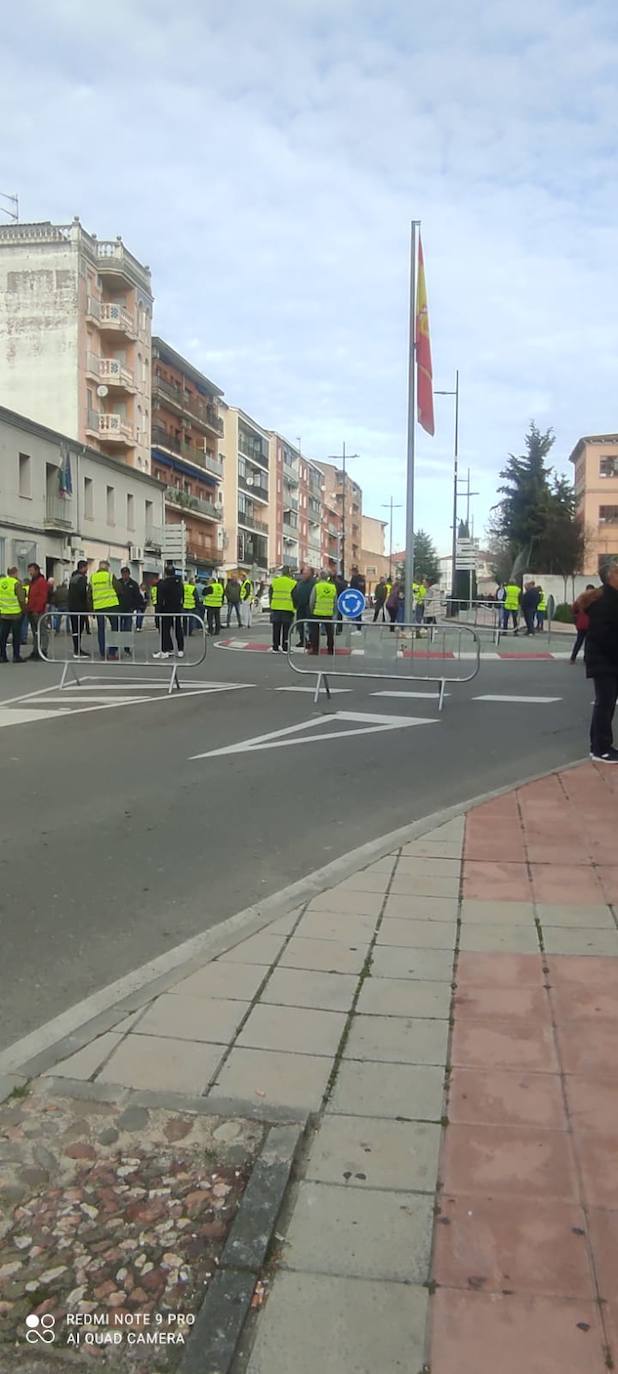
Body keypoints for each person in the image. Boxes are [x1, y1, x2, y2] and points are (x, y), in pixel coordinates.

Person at [581, 560, 618, 762]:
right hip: (604, 660)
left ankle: (599, 746)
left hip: (607, 660)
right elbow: (604, 636)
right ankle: (600, 749)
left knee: (606, 704)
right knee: (605, 704)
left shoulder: (611, 597)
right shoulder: (605, 601)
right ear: (611, 577)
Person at [89, 561, 120, 660]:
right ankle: (112, 652)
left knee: (101, 630)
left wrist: (91, 609)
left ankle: (102, 653)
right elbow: (119, 589)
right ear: (107, 567)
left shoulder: (93, 577)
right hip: (112, 606)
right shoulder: (110, 576)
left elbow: (89, 594)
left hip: (99, 607)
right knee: (115, 629)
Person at [153, 562, 184, 658]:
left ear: (165, 573)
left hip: (165, 610)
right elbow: (182, 597)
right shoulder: (179, 583)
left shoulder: (162, 584)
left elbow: (159, 600)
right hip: (177, 610)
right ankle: (180, 650)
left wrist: (157, 613)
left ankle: (165, 650)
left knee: (164, 630)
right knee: (178, 629)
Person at [25, 562, 52, 661]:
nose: (30, 573)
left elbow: (42, 597)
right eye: (29, 571)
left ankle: (43, 650)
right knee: (35, 632)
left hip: (38, 611)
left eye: (31, 570)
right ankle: (36, 650)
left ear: (37, 570)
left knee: (42, 631)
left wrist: (37, 609)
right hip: (31, 610)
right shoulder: (33, 582)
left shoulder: (41, 581)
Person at [0, 566, 27, 664]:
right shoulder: (16, 583)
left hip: (3, 614)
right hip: (15, 614)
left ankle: (2, 656)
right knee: (16, 636)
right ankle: (16, 656)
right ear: (15, 573)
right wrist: (24, 610)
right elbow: (21, 599)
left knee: (3, 636)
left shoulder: (1, 582)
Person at [308, 570, 337, 655]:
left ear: (320, 577)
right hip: (328, 613)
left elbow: (312, 600)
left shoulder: (317, 586)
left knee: (315, 631)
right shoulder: (332, 587)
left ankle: (315, 649)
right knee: (329, 632)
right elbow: (335, 601)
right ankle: (330, 649)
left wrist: (312, 610)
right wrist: (334, 612)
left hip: (317, 612)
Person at [269, 565, 297, 652]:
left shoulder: (275, 582)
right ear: (289, 573)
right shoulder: (293, 583)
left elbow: (270, 594)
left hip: (276, 608)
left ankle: (275, 647)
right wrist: (295, 608)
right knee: (286, 630)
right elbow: (295, 596)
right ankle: (285, 647)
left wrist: (271, 604)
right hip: (287, 609)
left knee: (276, 629)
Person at [68, 559, 90, 658]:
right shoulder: (82, 578)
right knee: (78, 629)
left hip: (72, 607)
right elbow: (83, 593)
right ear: (83, 567)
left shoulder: (73, 577)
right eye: (86, 567)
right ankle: (77, 650)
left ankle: (76, 649)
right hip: (80, 607)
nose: (87, 569)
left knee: (75, 630)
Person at [570, 585, 596, 663]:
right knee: (588, 642)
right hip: (590, 624)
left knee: (579, 641)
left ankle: (573, 658)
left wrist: (576, 618)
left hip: (581, 624)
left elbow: (573, 609)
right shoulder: (594, 600)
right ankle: (586, 658)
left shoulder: (581, 599)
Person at [292, 566, 316, 647]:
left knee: (311, 626)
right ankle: (303, 640)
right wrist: (295, 604)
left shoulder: (315, 583)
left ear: (311, 574)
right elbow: (294, 593)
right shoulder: (299, 583)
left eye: (306, 573)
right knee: (300, 625)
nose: (304, 575)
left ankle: (312, 641)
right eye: (303, 573)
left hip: (310, 607)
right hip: (301, 607)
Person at [117, 566, 144, 636]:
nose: (125, 575)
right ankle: (120, 641)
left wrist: (134, 607)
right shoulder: (118, 583)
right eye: (123, 574)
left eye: (126, 574)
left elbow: (137, 596)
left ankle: (127, 642)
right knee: (119, 628)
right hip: (119, 609)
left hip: (129, 609)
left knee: (127, 627)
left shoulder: (134, 584)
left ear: (129, 574)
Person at [349, 566, 366, 630]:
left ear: (354, 572)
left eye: (352, 572)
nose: (351, 573)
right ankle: (358, 625)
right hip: (360, 596)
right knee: (358, 611)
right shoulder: (361, 578)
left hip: (355, 596)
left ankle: (358, 627)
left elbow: (352, 588)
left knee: (357, 611)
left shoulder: (355, 578)